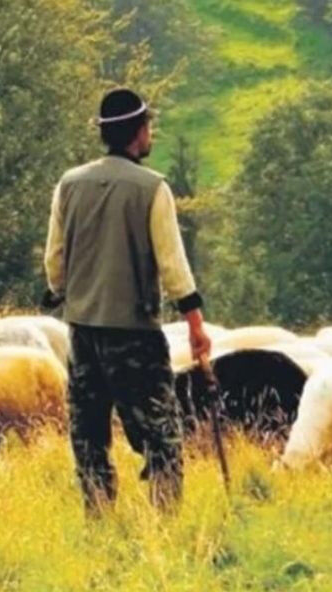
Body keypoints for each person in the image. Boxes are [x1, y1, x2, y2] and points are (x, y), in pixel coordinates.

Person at [42, 87, 212, 514]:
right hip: (134, 334)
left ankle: (99, 517)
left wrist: (65, 292)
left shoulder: (69, 184)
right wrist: (195, 325)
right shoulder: (152, 189)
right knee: (160, 435)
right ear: (138, 131)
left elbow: (54, 260)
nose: (150, 132)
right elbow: (173, 265)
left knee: (89, 435)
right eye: (148, 125)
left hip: (82, 332)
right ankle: (164, 523)